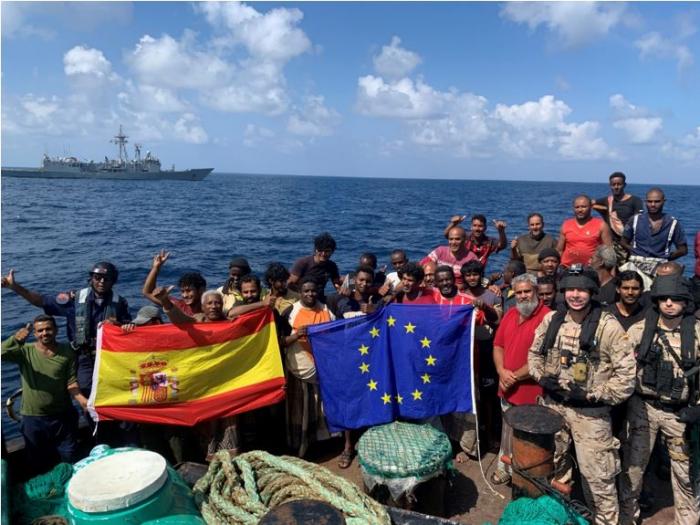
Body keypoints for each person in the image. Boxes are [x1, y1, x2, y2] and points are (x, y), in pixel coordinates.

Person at [528, 266, 636, 525]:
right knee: (557, 465)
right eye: (570, 289)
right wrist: (541, 376)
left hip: (591, 415)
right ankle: (564, 516)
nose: (575, 295)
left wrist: (593, 395)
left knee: (598, 477)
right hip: (555, 406)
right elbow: (534, 354)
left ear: (592, 292)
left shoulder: (607, 327)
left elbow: (626, 378)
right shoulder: (552, 320)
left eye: (582, 290)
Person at [619, 275, 700, 525]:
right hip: (643, 407)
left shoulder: (696, 333)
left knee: (685, 474)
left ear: (685, 303)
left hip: (680, 412)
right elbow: (618, 361)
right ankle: (626, 517)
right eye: (663, 298)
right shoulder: (641, 330)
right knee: (633, 469)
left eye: (675, 299)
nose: (669, 303)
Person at [1, 263, 131, 400]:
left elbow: (128, 329)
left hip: (110, 356)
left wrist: (117, 324)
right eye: (98, 277)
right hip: (83, 357)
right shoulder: (74, 300)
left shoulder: (120, 303)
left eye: (107, 278)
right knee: (87, 392)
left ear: (113, 281)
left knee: (115, 392)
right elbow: (41, 301)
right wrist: (15, 287)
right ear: (91, 278)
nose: (102, 282)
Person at [155, 286, 241, 460]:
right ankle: (209, 460)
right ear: (203, 307)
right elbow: (179, 319)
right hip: (204, 384)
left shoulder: (231, 322)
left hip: (227, 382)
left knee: (229, 423)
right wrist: (165, 300)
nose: (214, 306)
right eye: (209, 303)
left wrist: (264, 303)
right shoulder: (197, 322)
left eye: (217, 303)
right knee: (207, 424)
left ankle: (230, 461)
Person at [1, 315, 87, 475]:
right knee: (37, 462)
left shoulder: (67, 351)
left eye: (48, 329)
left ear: (56, 330)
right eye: (40, 330)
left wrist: (82, 400)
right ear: (34, 334)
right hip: (33, 418)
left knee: (70, 457)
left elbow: (71, 382)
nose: (44, 333)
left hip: (63, 416)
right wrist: (15, 340)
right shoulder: (24, 351)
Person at [491, 274, 550, 484]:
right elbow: (498, 345)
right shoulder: (510, 313)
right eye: (519, 292)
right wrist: (501, 371)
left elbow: (544, 359)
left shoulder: (548, 317)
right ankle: (503, 468)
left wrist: (514, 377)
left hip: (531, 393)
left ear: (535, 291)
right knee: (507, 432)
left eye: (527, 291)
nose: (523, 296)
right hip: (506, 387)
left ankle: (526, 479)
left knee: (528, 440)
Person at [281, 277, 336, 457]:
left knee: (322, 410)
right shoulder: (291, 312)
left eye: (313, 291)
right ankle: (301, 448)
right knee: (302, 412)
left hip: (324, 370)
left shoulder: (327, 309)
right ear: (300, 292)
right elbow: (280, 342)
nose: (310, 294)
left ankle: (325, 445)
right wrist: (297, 335)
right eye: (306, 291)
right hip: (299, 371)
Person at [621, 187, 688, 284]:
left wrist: (666, 257)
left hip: (660, 267)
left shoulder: (673, 223)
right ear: (645, 202)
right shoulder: (635, 220)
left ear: (663, 201)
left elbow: (683, 250)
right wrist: (635, 251)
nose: (653, 205)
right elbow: (623, 241)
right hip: (636, 263)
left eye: (657, 202)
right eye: (649, 201)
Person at [592, 172, 644, 263]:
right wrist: (605, 211)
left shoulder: (635, 201)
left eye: (619, 184)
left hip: (630, 242)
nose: (616, 187)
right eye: (613, 184)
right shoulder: (607, 201)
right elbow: (590, 203)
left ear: (624, 185)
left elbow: (639, 221)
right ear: (610, 185)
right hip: (612, 243)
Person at [142, 250, 206, 316]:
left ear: (201, 290)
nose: (184, 295)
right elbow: (147, 292)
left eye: (188, 291)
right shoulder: (179, 306)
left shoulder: (211, 307)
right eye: (182, 291)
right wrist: (156, 268)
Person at [557, 195, 612, 268]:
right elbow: (559, 250)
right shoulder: (566, 224)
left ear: (591, 207)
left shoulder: (601, 225)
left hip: (591, 268)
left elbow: (609, 251)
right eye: (577, 207)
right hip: (567, 267)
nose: (580, 210)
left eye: (583, 207)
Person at [288, 233, 342, 302]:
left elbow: (337, 285)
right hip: (302, 299)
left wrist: (346, 284)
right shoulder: (303, 263)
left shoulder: (332, 266)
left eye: (327, 251)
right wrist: (302, 294)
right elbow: (289, 283)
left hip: (319, 299)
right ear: (315, 250)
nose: (323, 254)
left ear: (332, 251)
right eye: (320, 250)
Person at [443, 214, 507, 268]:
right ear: (471, 227)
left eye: (480, 226)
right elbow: (447, 235)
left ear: (485, 228)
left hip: (478, 274)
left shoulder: (489, 242)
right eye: (474, 226)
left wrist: (501, 231)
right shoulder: (465, 238)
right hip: (461, 270)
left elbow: (502, 245)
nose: (477, 229)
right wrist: (453, 224)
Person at [460, 261, 501, 325]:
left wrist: (486, 308)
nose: (472, 278)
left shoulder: (494, 294)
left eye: (475, 274)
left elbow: (498, 320)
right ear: (464, 277)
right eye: (468, 275)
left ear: (481, 275)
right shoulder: (461, 296)